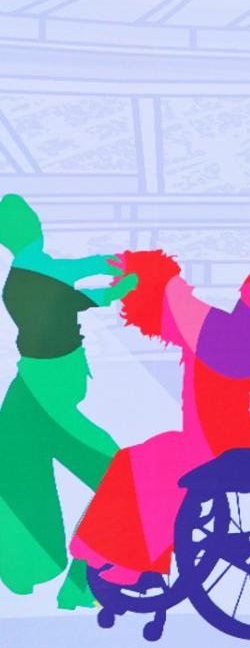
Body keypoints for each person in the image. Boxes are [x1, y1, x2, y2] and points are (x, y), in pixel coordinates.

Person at [71, 251, 250, 583]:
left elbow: (178, 306)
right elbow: (179, 316)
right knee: (135, 461)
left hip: (216, 440)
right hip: (221, 436)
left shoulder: (228, 330)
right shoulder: (235, 330)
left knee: (149, 468)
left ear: (249, 290)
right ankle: (124, 558)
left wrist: (156, 272)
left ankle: (132, 564)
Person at [0, 193, 136, 609]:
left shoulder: (21, 279)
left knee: (37, 489)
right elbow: (82, 283)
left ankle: (70, 582)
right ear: (30, 229)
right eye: (33, 221)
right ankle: (81, 585)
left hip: (31, 401)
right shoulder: (40, 274)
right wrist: (125, 279)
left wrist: (111, 269)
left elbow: (75, 277)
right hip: (43, 405)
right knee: (121, 478)